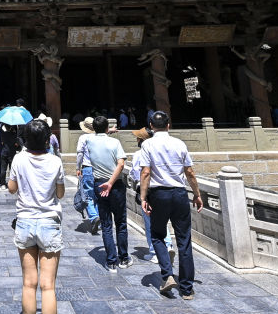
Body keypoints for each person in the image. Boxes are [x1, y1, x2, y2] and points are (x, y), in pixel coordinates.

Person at [7, 120, 66, 314]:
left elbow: (12, 188)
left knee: (28, 284)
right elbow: (60, 193)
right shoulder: (55, 161)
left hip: (25, 222)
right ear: (47, 139)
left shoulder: (18, 159)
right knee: (48, 287)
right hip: (49, 222)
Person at [139, 110, 203, 300]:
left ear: (151, 126)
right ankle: (187, 288)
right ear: (168, 125)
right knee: (184, 240)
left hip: (159, 195)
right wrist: (197, 194)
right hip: (180, 194)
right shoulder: (179, 143)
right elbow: (189, 172)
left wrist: (143, 197)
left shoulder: (147, 144)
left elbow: (145, 173)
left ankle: (167, 275)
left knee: (157, 235)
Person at [84, 115, 129, 272]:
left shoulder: (89, 141)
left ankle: (111, 261)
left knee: (106, 224)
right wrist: (110, 182)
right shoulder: (115, 143)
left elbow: (97, 134)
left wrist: (105, 130)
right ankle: (123, 258)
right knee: (121, 222)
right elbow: (121, 164)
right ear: (107, 128)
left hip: (99, 184)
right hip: (114, 184)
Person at [130, 126, 174, 264]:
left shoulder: (139, 154)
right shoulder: (160, 151)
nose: (136, 140)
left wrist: (142, 194)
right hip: (162, 189)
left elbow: (137, 173)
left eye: (138, 138)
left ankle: (155, 252)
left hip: (147, 191)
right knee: (161, 220)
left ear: (142, 140)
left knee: (149, 223)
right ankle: (168, 245)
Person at [75, 119, 100, 232]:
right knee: (98, 196)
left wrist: (77, 167)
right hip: (100, 169)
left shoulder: (83, 138)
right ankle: (99, 218)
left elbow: (80, 154)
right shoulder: (100, 137)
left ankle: (94, 217)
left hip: (88, 168)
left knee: (88, 195)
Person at [0, 123, 21, 191]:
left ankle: (2, 184)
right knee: (12, 169)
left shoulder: (2, 132)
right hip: (12, 153)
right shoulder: (14, 133)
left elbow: (1, 141)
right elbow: (16, 143)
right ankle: (12, 183)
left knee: (3, 169)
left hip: (4, 152)